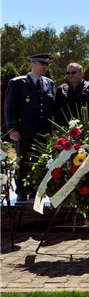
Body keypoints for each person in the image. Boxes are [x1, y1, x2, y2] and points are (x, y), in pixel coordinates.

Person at [4, 53, 55, 199]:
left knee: (41, 161)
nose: (45, 67)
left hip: (43, 131)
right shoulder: (17, 82)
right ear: (32, 63)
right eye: (42, 63)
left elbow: (49, 107)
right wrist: (12, 129)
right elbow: (9, 107)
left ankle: (35, 190)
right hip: (24, 130)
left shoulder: (49, 83)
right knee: (23, 161)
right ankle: (21, 191)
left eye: (47, 64)